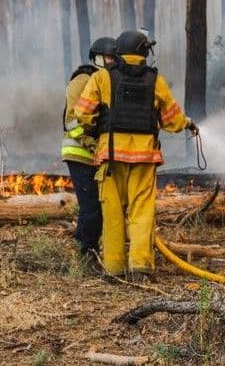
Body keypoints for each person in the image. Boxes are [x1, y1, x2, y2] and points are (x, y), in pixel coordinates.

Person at [73, 30, 198, 277]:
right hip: (144, 158)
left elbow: (82, 113)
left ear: (119, 52)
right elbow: (172, 120)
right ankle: (140, 266)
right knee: (141, 212)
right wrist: (188, 124)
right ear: (143, 53)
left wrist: (99, 125)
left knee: (112, 213)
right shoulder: (155, 80)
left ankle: (114, 268)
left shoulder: (102, 78)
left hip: (110, 158)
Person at [61, 36, 118, 264]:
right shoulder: (83, 79)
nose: (113, 61)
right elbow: (72, 122)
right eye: (110, 58)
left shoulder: (105, 80)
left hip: (96, 155)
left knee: (99, 206)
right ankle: (85, 254)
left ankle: (92, 249)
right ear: (98, 58)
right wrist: (92, 143)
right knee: (91, 207)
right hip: (79, 153)